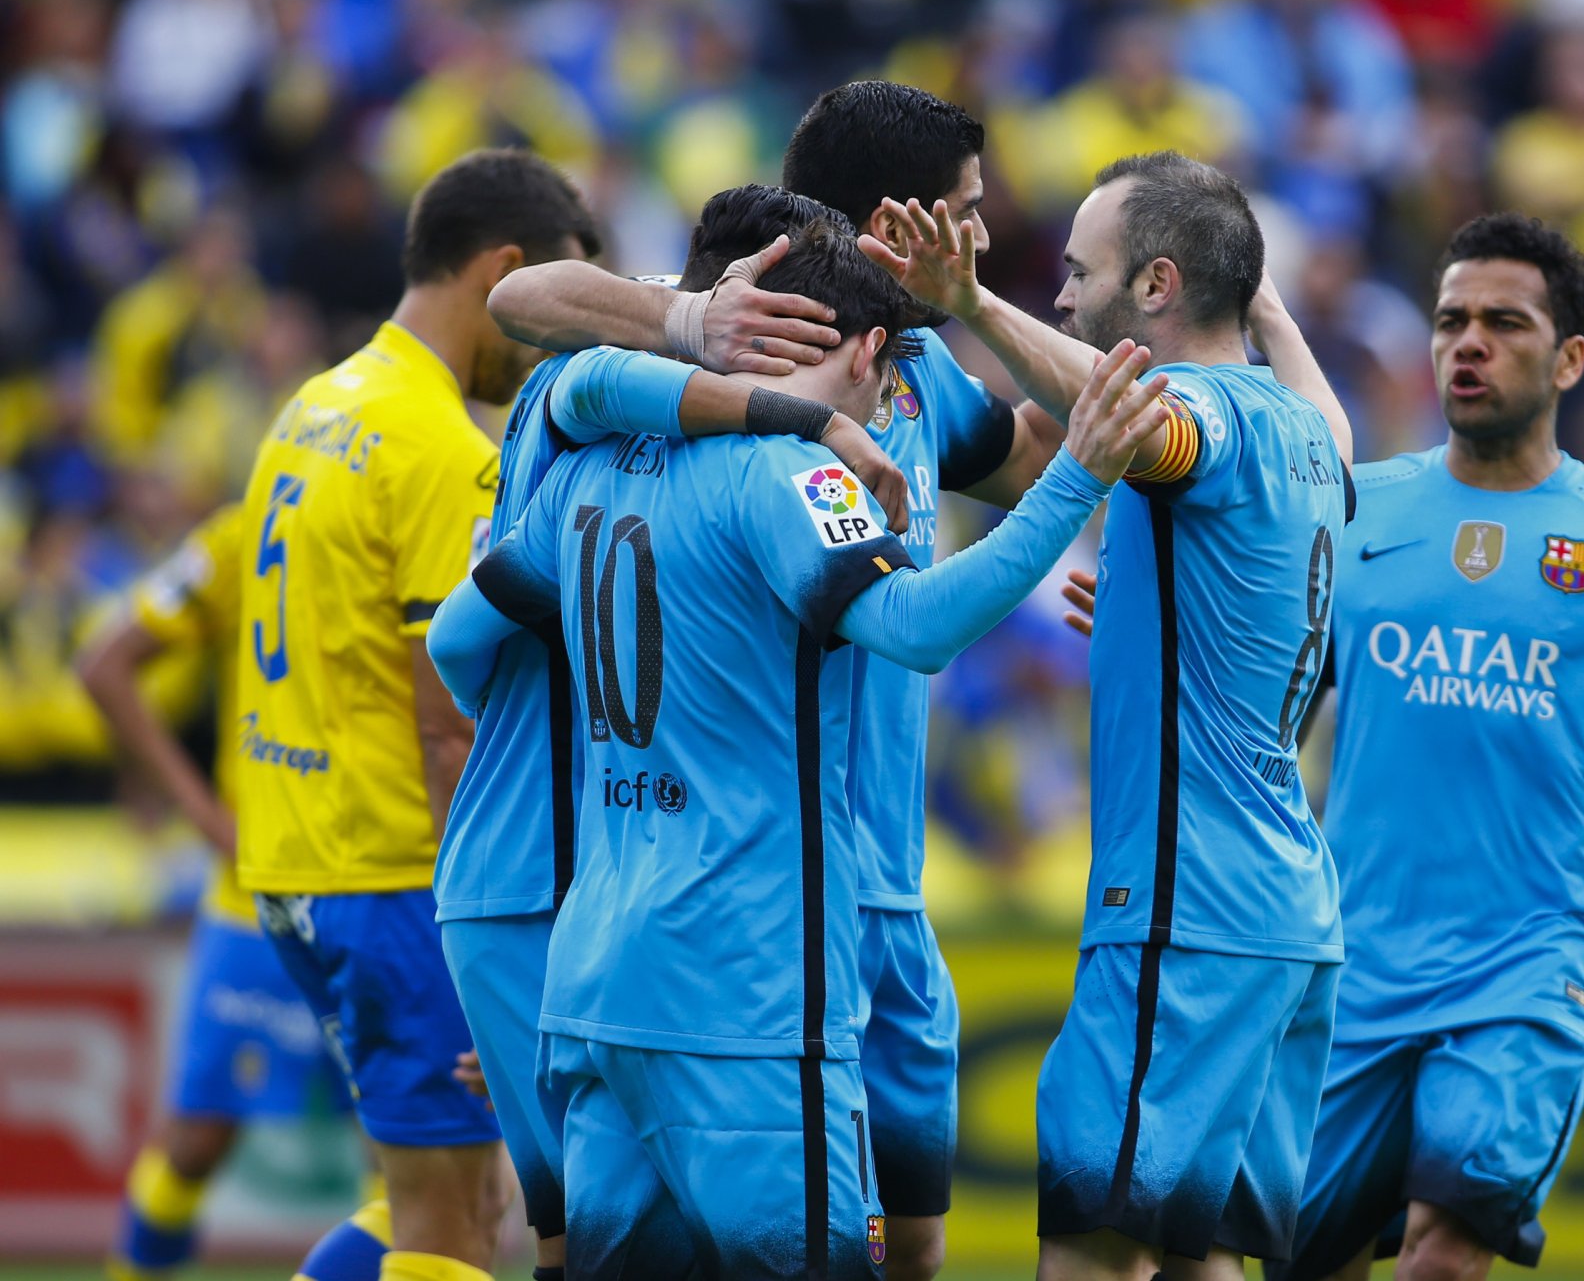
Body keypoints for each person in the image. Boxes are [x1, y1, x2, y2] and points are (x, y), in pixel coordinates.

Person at [1065, 213, 1584, 1281]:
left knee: (1445, 1253)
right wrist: (1173, 642)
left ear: (1570, 359)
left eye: (1504, 323)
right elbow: (1265, 707)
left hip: (1524, 961)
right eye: (1452, 319)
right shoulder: (1352, 509)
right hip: (1352, 962)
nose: (1469, 342)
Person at [427, 220, 1170, 1279]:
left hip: (596, 983)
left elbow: (458, 641)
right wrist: (1078, 480)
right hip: (746, 998)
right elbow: (913, 625)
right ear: (867, 353)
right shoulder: (789, 474)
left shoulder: (591, 463)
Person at [859, 151, 1353, 1280]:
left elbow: (1133, 420)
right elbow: (1327, 436)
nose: (1063, 294)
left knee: (1092, 1248)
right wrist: (1267, 304)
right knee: (1201, 1254)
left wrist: (971, 303)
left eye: (1081, 272)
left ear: (1158, 284)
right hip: (1286, 913)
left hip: (1189, 909)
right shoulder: (1311, 431)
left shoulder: (1205, 414)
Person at [433, 183, 909, 1281]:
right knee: (519, 1224)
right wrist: (805, 411)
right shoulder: (620, 395)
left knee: (576, 1238)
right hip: (584, 870)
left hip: (554, 877)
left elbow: (459, 641)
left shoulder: (615, 407)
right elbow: (545, 320)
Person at [232, 148, 597, 1281]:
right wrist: (492, 930)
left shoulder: (316, 405)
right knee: (455, 1219)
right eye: (553, 300)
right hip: (396, 873)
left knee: (441, 1199)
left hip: (295, 855)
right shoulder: (442, 449)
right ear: (503, 268)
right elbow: (450, 728)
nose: (549, 339)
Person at [79, 506, 378, 1281]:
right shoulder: (245, 533)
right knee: (196, 1139)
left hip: (381, 885)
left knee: (408, 1155)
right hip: (261, 898)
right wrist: (205, 815)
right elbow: (105, 662)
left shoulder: (413, 506)